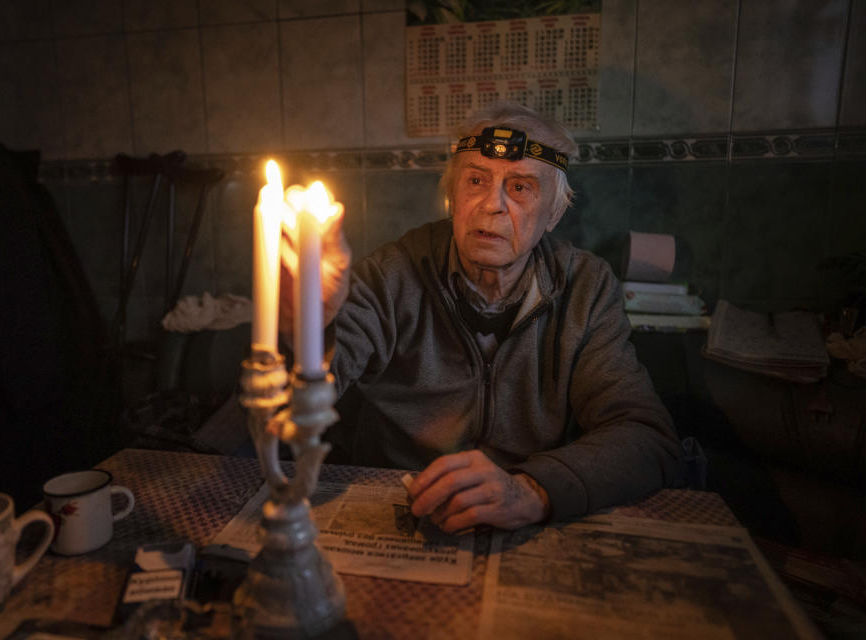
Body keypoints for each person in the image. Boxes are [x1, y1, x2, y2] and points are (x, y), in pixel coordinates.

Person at [282, 102, 682, 533]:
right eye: (476, 180)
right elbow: (294, 400)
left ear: (553, 214)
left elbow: (644, 435)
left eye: (521, 187)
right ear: (453, 197)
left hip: (523, 518)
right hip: (398, 505)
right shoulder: (392, 274)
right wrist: (308, 324)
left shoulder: (586, 287)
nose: (491, 204)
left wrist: (533, 491)